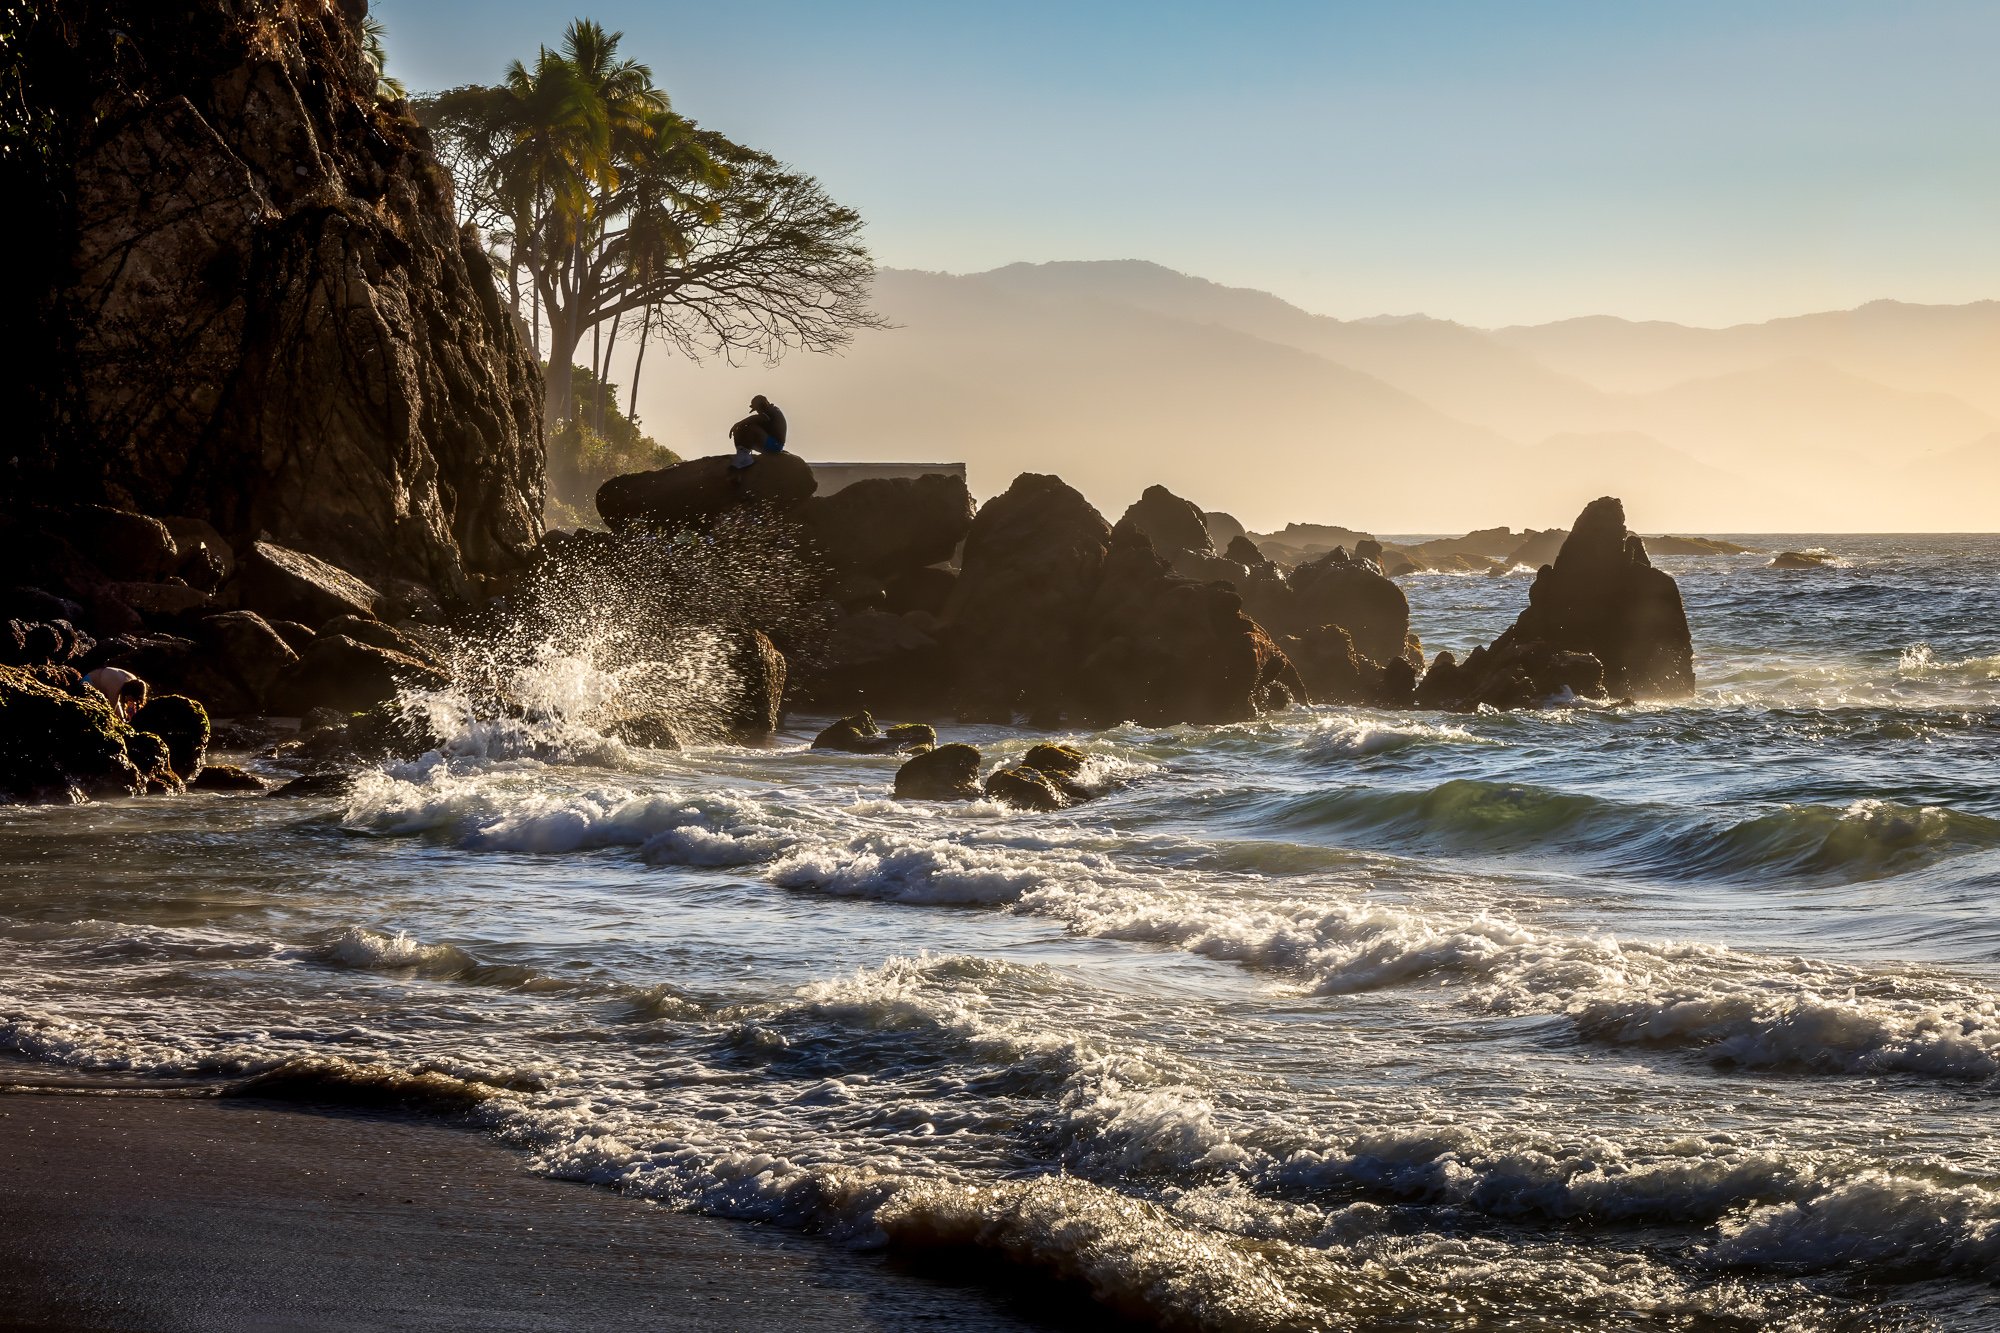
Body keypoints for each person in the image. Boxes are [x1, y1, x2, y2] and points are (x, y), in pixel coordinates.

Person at [728, 394, 788, 469]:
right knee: (742, 428)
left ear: (763, 406)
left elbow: (758, 418)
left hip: (775, 445)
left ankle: (744, 457)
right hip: (767, 443)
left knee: (752, 428)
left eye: (757, 409)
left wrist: (739, 423)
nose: (757, 411)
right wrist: (739, 427)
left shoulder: (771, 411)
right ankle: (742, 454)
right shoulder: (767, 413)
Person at [84, 665, 148, 721]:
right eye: (132, 699)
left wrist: (123, 718)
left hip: (98, 679)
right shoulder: (116, 686)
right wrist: (122, 719)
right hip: (88, 682)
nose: (131, 701)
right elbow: (112, 710)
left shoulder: (132, 680)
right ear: (130, 693)